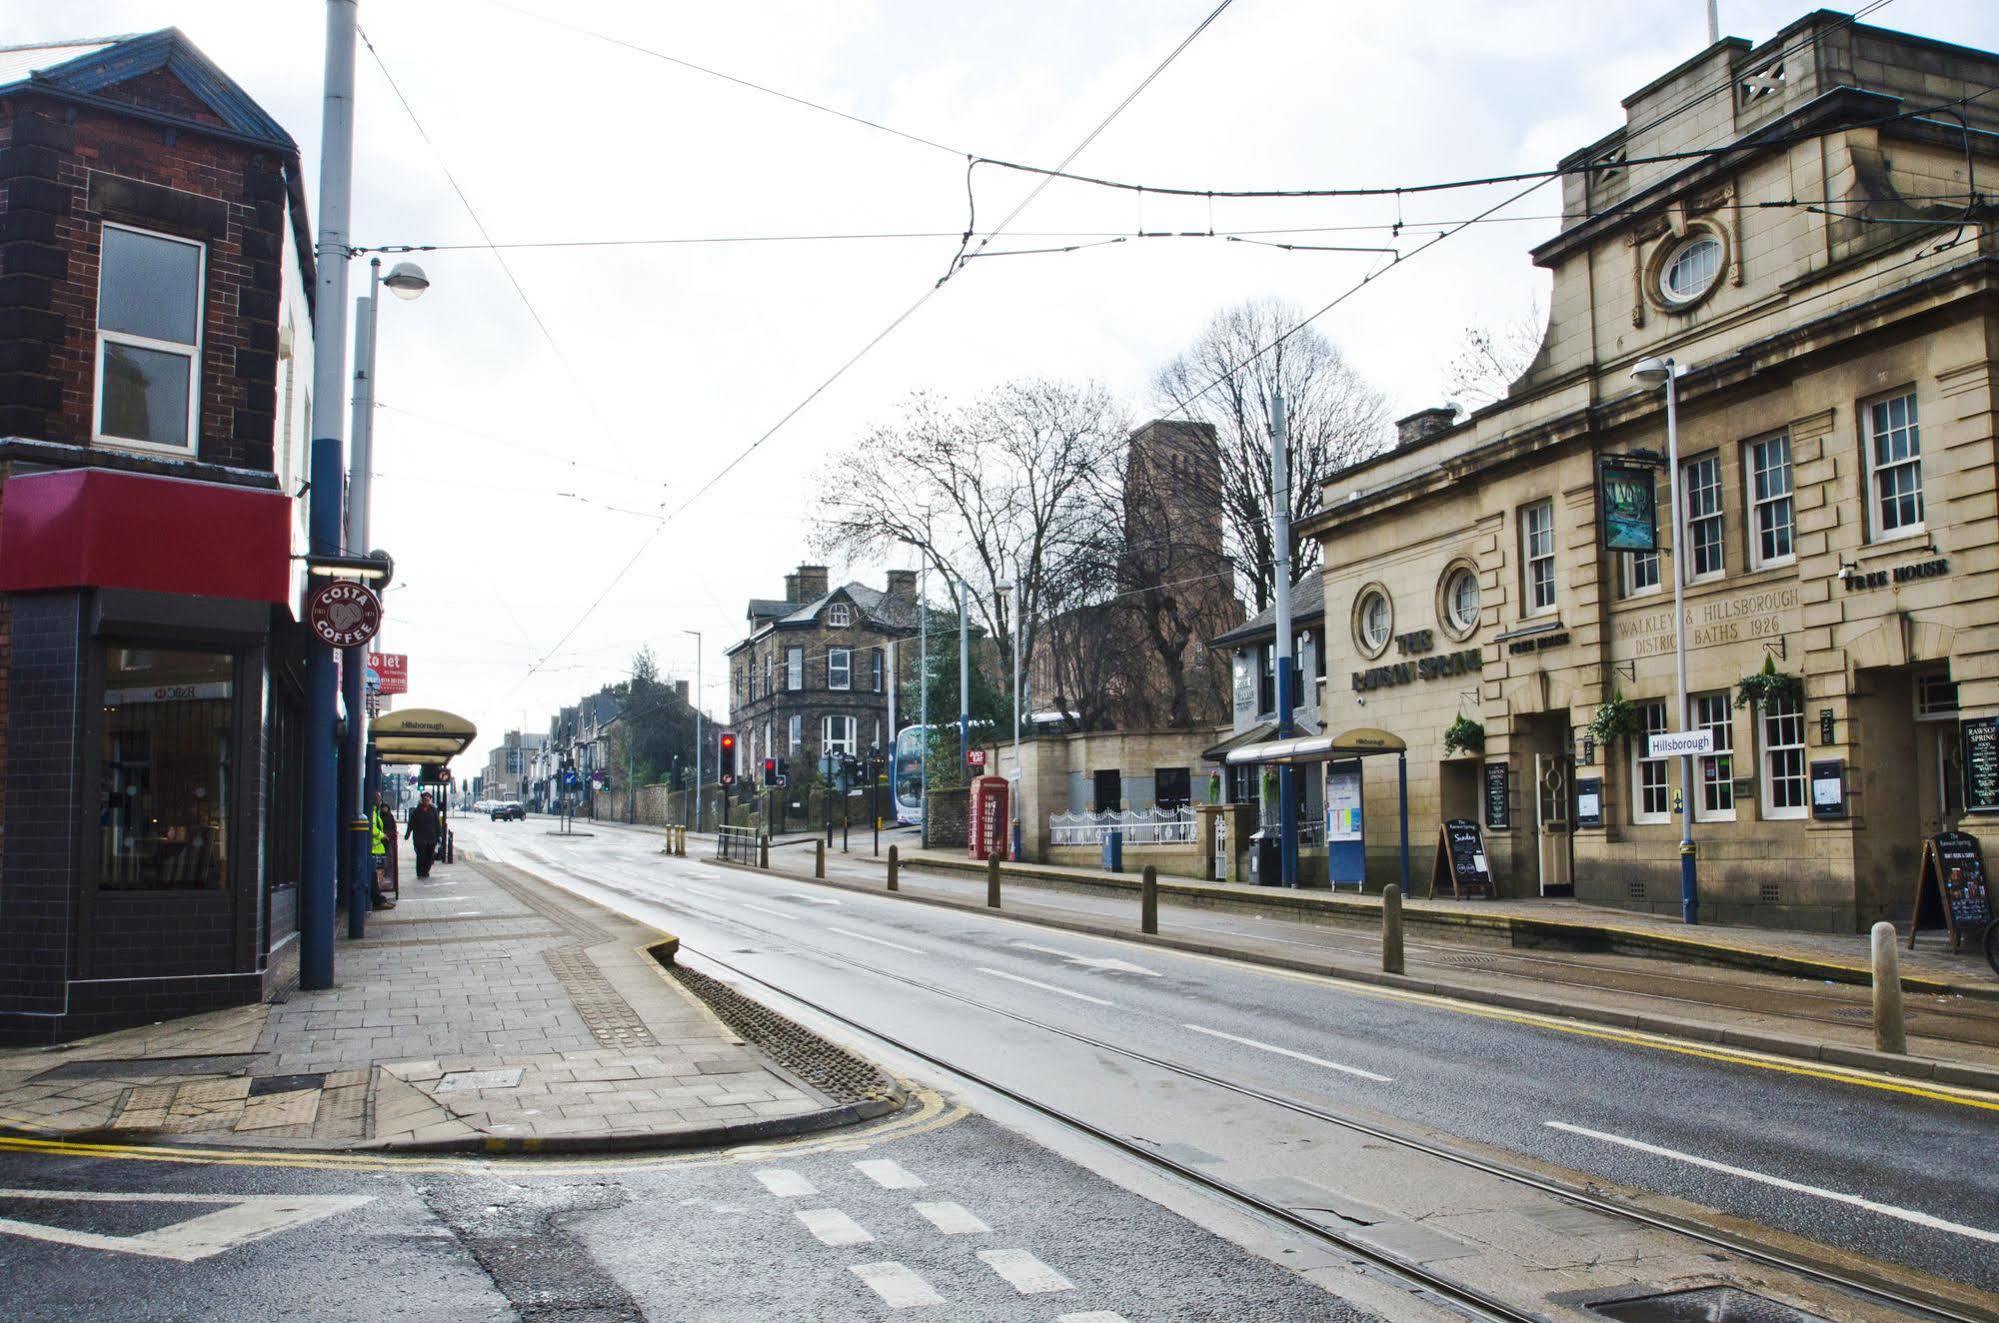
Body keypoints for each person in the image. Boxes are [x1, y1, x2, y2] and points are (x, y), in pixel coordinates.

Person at [369, 794, 396, 909]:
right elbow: (373, 829)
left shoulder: (376, 812)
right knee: (374, 875)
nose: (380, 801)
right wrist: (383, 835)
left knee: (376, 875)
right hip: (373, 849)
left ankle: (378, 898)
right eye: (378, 798)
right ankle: (377, 900)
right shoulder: (373, 813)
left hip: (377, 849)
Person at [410, 792, 442, 879]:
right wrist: (408, 834)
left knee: (430, 856)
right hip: (420, 838)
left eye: (428, 799)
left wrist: (439, 835)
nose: (426, 801)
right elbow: (411, 823)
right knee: (421, 855)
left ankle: (426, 871)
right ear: (422, 800)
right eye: (425, 799)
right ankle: (420, 872)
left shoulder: (433, 810)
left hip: (431, 837)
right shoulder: (417, 810)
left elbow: (437, 823)